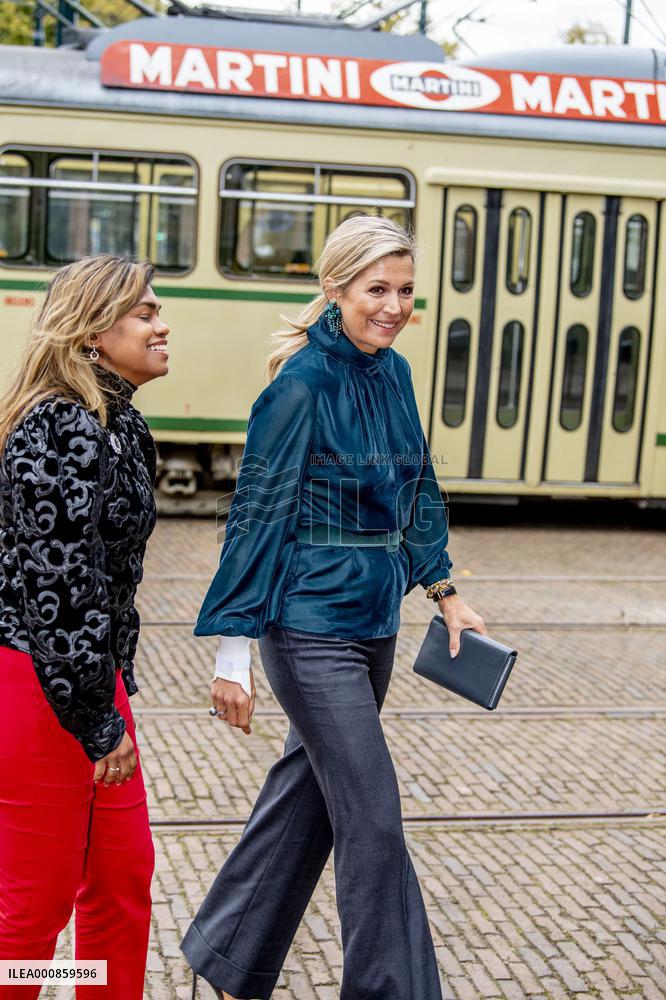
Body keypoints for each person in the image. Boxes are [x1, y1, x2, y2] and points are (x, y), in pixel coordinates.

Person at [181, 215, 486, 1000]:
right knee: (373, 814)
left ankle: (227, 953)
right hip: (309, 628)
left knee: (311, 795)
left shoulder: (394, 373)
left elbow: (416, 485)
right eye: (376, 290)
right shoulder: (299, 386)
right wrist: (232, 654)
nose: (392, 307)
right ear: (335, 289)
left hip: (374, 622)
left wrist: (445, 591)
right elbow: (256, 515)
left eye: (406, 292)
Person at [0, 255, 170, 999]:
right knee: (33, 912)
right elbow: (57, 593)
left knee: (122, 883)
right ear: (94, 333)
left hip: (91, 683)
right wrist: (98, 723)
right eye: (145, 313)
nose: (163, 324)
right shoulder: (59, 425)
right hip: (42, 687)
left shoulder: (118, 422)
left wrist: (107, 701)